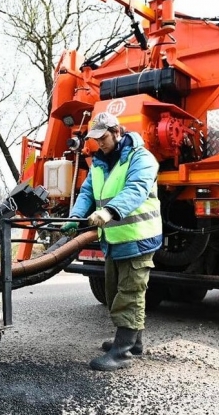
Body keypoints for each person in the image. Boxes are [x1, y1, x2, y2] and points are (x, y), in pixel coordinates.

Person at [61, 112, 162, 371]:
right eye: (95, 139)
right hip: (113, 238)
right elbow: (86, 192)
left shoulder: (142, 158)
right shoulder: (99, 163)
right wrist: (75, 216)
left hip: (137, 237)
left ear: (117, 132)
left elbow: (137, 189)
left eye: (103, 137)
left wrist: (109, 212)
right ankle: (134, 342)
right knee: (115, 291)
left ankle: (123, 352)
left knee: (130, 292)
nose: (100, 143)